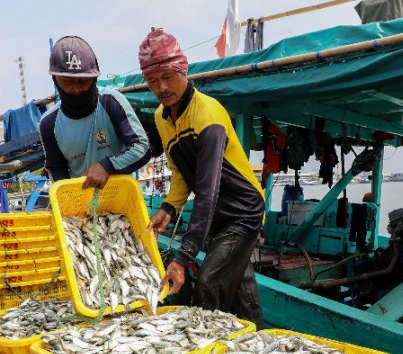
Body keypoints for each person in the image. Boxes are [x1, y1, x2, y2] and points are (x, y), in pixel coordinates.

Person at [138, 28, 264, 329]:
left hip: (242, 210)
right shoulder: (161, 116)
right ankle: (257, 335)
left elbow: (206, 193)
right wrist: (168, 208)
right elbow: (182, 172)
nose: (162, 87)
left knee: (209, 280)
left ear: (183, 70)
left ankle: (206, 349)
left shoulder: (207, 116)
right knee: (241, 282)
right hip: (217, 213)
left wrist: (182, 259)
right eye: (153, 81)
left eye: (168, 76)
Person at [39, 36, 151, 188]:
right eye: (67, 82)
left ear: (94, 79)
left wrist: (107, 166)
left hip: (123, 198)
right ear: (55, 79)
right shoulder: (48, 123)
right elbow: (56, 169)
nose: (77, 90)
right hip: (80, 203)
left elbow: (141, 147)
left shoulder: (111, 102)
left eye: (84, 81)